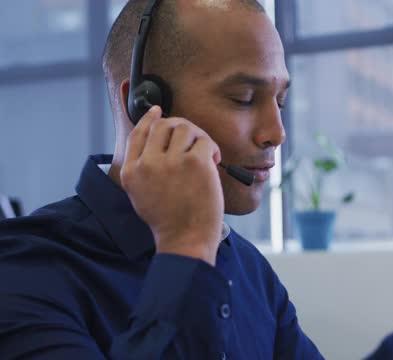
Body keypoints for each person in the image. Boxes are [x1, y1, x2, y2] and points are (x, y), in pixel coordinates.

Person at [0, 0, 323, 358]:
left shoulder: (249, 271)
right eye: (243, 98)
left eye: (280, 100)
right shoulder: (24, 270)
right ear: (143, 105)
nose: (276, 133)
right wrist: (185, 249)